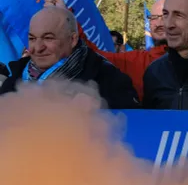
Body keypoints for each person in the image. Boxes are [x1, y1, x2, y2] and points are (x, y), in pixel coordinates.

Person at [0, 7, 139, 109]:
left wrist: (101, 108)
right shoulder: (15, 78)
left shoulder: (107, 78)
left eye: (48, 38)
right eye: (32, 38)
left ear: (72, 39)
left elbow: (135, 127)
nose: (38, 47)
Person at [44, 0, 168, 101]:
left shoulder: (187, 62)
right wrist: (65, 16)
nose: (159, 23)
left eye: (165, 16)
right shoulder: (136, 60)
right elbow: (90, 53)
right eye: (154, 18)